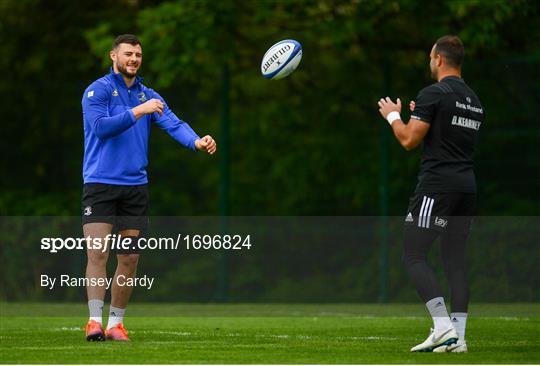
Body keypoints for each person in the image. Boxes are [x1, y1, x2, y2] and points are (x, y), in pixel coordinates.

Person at [81, 34, 216, 342]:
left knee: (128, 258)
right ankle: (93, 321)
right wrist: (138, 112)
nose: (134, 59)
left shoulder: (148, 94)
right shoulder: (97, 90)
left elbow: (174, 123)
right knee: (98, 253)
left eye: (138, 54)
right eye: (128, 53)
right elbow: (101, 128)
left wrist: (196, 141)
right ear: (113, 56)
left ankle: (115, 324)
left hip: (135, 188)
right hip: (100, 184)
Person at [377, 35, 484, 353]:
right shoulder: (475, 101)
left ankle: (441, 327)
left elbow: (409, 140)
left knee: (413, 253)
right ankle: (459, 339)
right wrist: (422, 112)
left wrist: (393, 116)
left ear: (438, 59)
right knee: (454, 261)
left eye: (430, 57)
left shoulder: (433, 93)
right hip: (467, 187)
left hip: (437, 186)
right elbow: (447, 133)